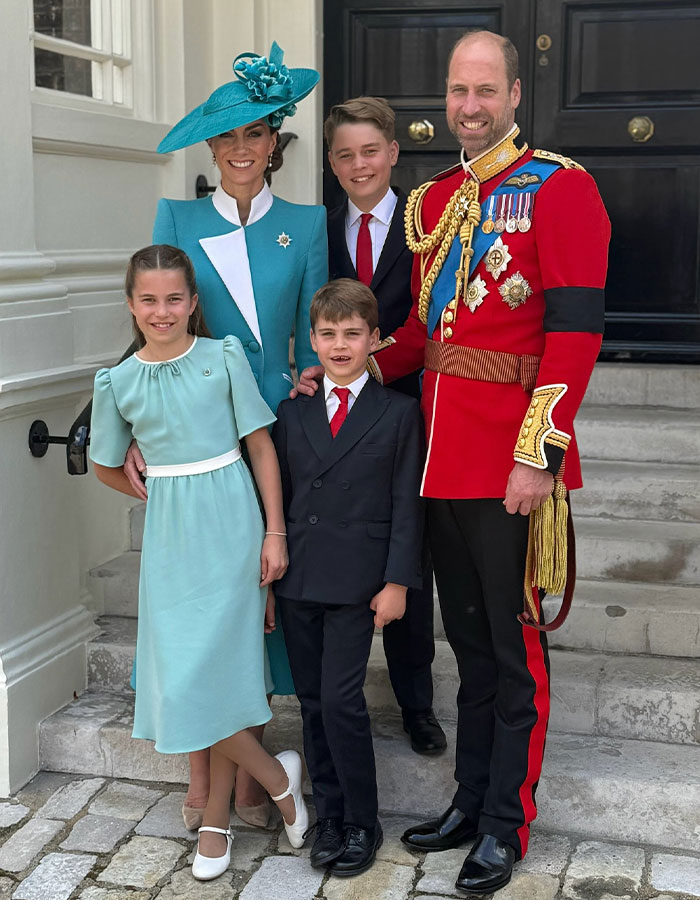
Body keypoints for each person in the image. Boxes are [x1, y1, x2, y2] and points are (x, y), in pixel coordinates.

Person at [297, 30, 610, 894]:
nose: (469, 106)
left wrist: (538, 454)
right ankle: (473, 798)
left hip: (510, 461)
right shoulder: (432, 202)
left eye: (485, 91)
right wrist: (340, 369)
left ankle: (510, 822)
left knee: (513, 653)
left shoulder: (561, 187)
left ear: (515, 94)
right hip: (435, 460)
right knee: (466, 649)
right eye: (457, 91)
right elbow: (423, 340)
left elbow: (575, 334)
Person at [122, 42, 328, 830]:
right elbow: (154, 315)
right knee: (194, 605)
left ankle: (249, 770)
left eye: (256, 135)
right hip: (195, 430)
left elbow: (311, 335)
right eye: (227, 139)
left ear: (276, 141)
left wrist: (310, 375)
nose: (242, 151)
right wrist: (136, 422)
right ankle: (208, 784)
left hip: (271, 428)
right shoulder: (178, 216)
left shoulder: (306, 225)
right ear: (212, 149)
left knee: (254, 594)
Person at [89, 245, 308, 882]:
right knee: (183, 683)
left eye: (175, 299)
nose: (163, 311)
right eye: (149, 300)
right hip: (171, 536)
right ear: (132, 306)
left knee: (223, 677)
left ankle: (216, 822)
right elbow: (105, 462)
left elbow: (261, 449)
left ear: (193, 303)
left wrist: (275, 533)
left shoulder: (222, 357)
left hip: (233, 521)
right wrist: (152, 485)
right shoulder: (118, 381)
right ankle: (277, 778)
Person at [272, 279, 424, 876]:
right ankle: (330, 813)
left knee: (341, 701)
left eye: (352, 334)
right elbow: (277, 497)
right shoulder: (294, 410)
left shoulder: (398, 412)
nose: (340, 345)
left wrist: (398, 581)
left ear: (374, 340)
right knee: (312, 703)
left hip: (360, 581)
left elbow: (408, 504)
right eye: (329, 334)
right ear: (312, 340)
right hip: (300, 576)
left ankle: (364, 818)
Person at [324, 96, 446, 756]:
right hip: (338, 417)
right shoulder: (317, 229)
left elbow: (432, 321)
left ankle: (417, 704)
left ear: (394, 154)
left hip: (408, 410)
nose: (359, 164)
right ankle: (328, 692)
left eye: (370, 150)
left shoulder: (426, 224)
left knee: (409, 556)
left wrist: (370, 365)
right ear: (333, 164)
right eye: (345, 154)